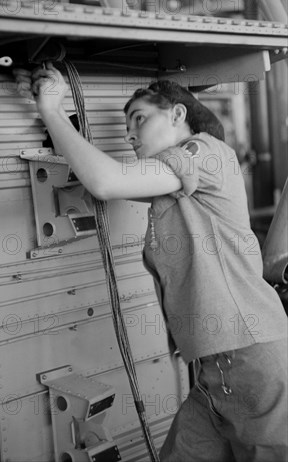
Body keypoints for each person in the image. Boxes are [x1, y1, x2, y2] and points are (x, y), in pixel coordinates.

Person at [33, 62, 288, 462]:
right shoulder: (172, 189)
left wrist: (50, 109)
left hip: (252, 358)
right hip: (212, 372)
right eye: (127, 129)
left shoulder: (204, 152)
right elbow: (102, 180)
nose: (131, 135)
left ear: (177, 114)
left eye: (139, 119)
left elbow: (107, 181)